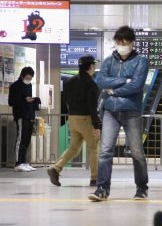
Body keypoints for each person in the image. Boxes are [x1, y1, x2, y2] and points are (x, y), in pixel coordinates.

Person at [89, 26, 149, 201]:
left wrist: (113, 90)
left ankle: (142, 188)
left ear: (132, 42)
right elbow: (100, 80)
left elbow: (136, 86)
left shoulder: (141, 61)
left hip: (131, 110)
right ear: (115, 42)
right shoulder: (108, 61)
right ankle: (102, 189)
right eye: (119, 42)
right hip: (110, 111)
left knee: (137, 151)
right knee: (106, 151)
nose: (122, 45)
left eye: (126, 42)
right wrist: (124, 80)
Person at [47, 55, 100, 187]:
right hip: (85, 119)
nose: (94, 67)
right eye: (94, 64)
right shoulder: (91, 84)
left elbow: (66, 100)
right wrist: (96, 125)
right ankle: (95, 178)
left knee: (74, 147)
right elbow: (92, 107)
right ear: (90, 66)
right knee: (94, 148)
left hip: (73, 118)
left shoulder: (69, 82)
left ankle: (56, 168)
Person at [8, 67, 41, 172]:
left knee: (26, 140)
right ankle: (18, 163)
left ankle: (24, 162)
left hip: (29, 115)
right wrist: (25, 100)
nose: (28, 80)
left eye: (30, 78)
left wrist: (33, 100)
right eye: (27, 77)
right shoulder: (15, 86)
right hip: (21, 115)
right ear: (22, 76)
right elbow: (11, 102)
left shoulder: (29, 86)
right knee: (20, 139)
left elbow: (29, 100)